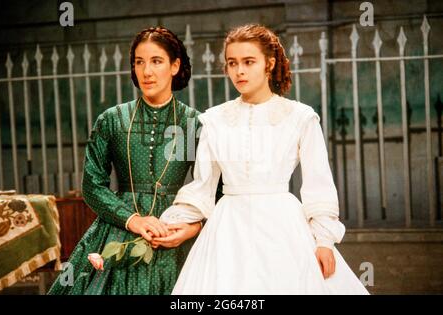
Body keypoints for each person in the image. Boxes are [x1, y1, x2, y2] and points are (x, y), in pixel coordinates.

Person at [156, 24, 369, 294]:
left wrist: (324, 241)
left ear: (269, 63)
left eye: (248, 62)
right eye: (232, 63)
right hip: (228, 229)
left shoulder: (300, 117)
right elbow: (203, 185)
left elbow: (319, 184)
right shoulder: (214, 120)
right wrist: (171, 223)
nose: (239, 71)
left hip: (283, 226)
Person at [48, 26, 203, 295]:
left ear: (175, 66)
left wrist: (191, 228)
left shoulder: (192, 124)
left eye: (156, 61)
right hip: (119, 226)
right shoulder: (112, 120)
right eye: (139, 62)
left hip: (173, 230)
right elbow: (92, 185)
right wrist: (132, 219)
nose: (146, 72)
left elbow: (213, 187)